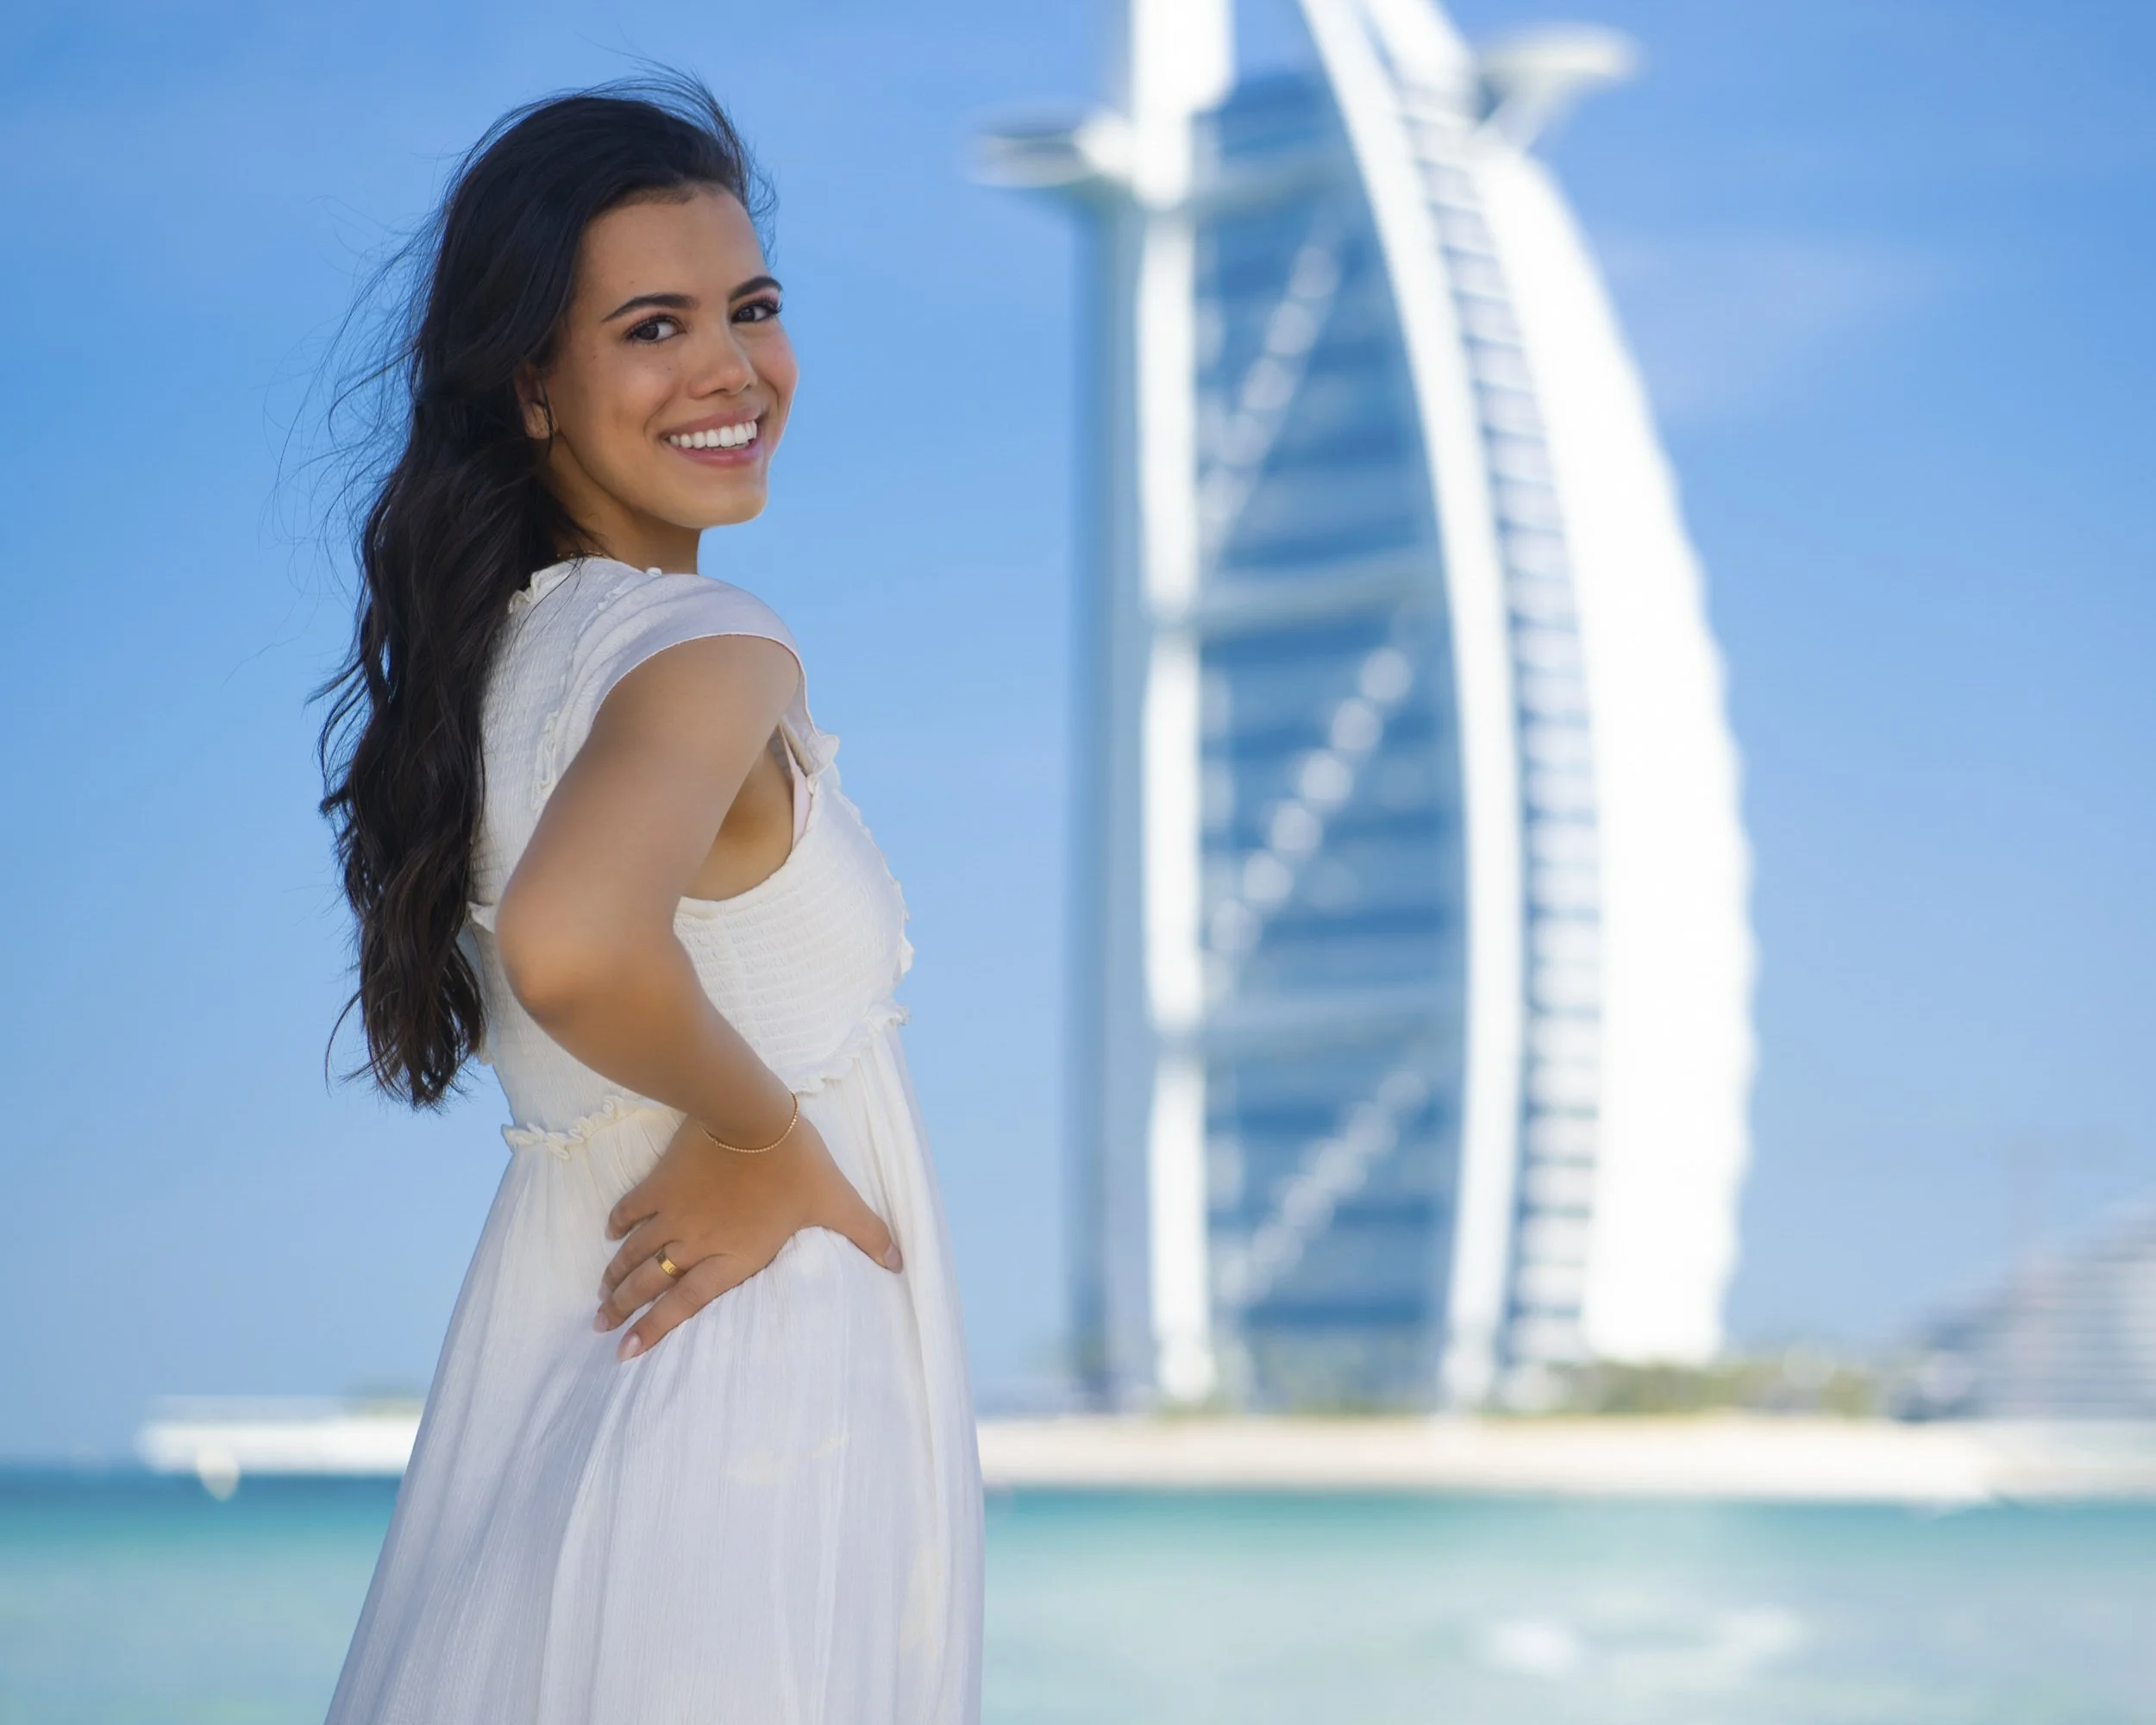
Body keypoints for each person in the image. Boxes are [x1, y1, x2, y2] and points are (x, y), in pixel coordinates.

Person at [315, 77, 982, 1722]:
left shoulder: (495, 679)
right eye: (653, 326)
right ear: (529, 385)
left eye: (750, 308)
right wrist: (760, 1136)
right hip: (749, 1399)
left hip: (570, 1401)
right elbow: (573, 945)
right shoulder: (702, 648)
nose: (730, 369)